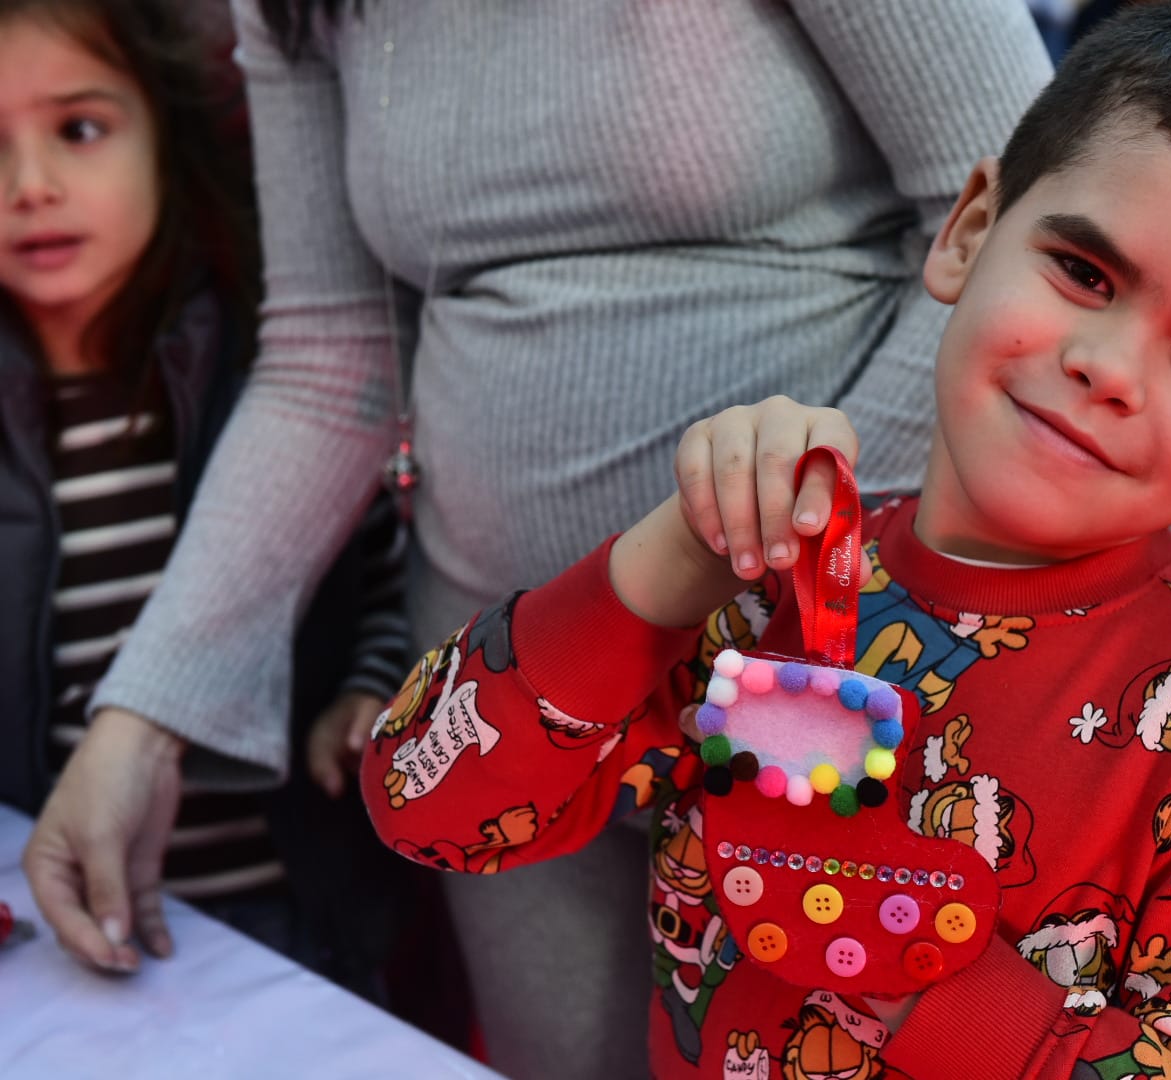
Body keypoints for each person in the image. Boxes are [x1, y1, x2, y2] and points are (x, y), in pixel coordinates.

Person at [360, 3, 1171, 1075]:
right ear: (967, 232)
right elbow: (426, 804)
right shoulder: (767, 600)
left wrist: (895, 939)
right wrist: (672, 558)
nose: (1109, 367)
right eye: (1085, 274)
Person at [22, 0, 1052, 1074]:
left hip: (821, 671)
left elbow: (1031, 220)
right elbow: (333, 359)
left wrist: (788, 544)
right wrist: (139, 723)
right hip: (513, 695)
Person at [1, 0, 411, 999]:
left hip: (297, 921)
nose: (30, 187)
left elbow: (382, 565)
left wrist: (371, 685)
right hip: (63, 924)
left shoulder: (270, 388)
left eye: (80, 130)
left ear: (166, 134)